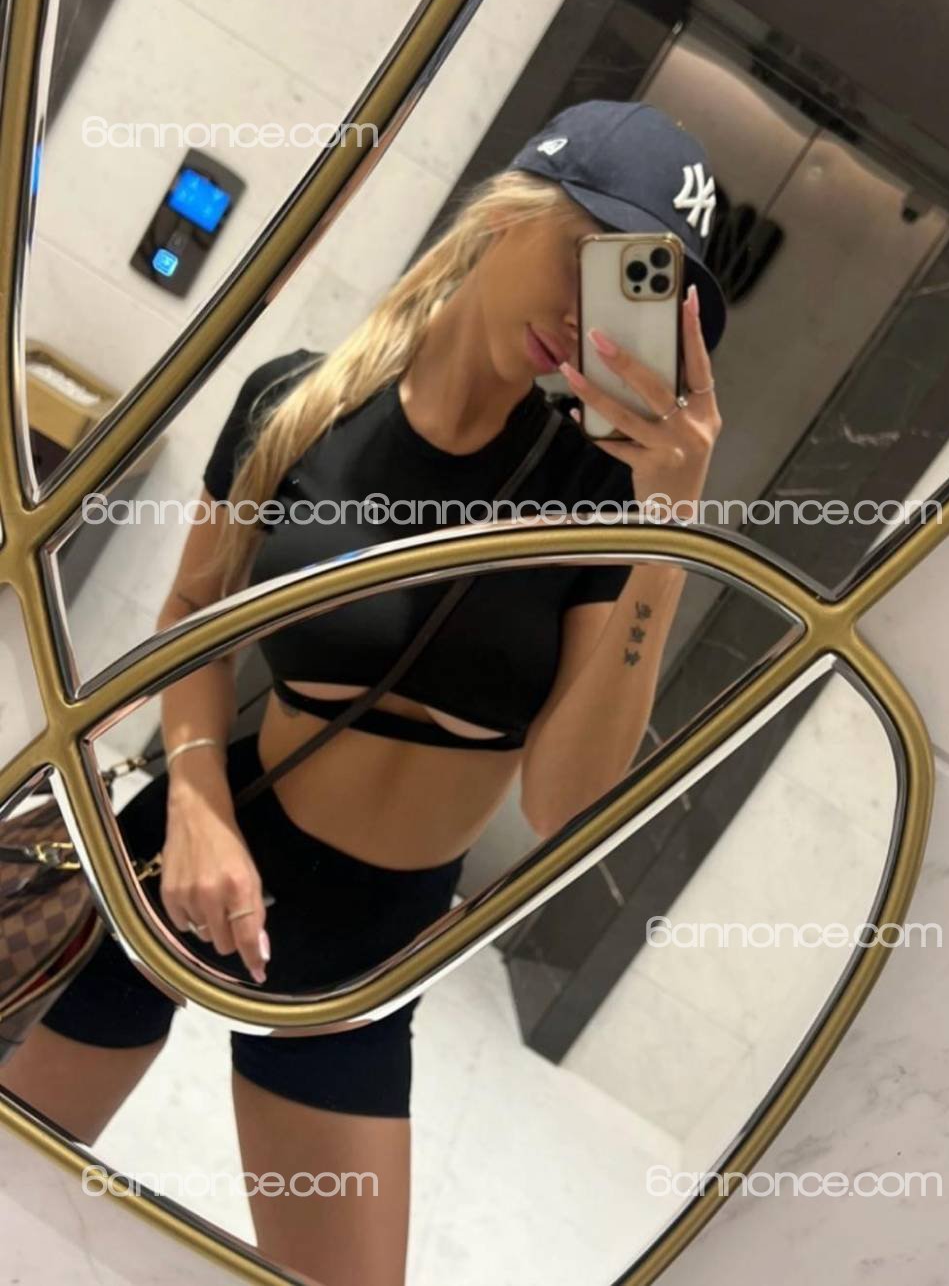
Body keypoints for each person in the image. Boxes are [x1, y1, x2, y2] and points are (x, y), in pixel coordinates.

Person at [0, 99, 726, 1286]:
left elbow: (565, 802)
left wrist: (667, 533)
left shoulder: (600, 494)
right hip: (196, 850)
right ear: (507, 216)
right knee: (16, 1190)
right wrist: (198, 808)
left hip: (367, 947)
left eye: (633, 285)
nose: (588, 306)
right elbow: (192, 618)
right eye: (587, 253)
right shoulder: (301, 405)